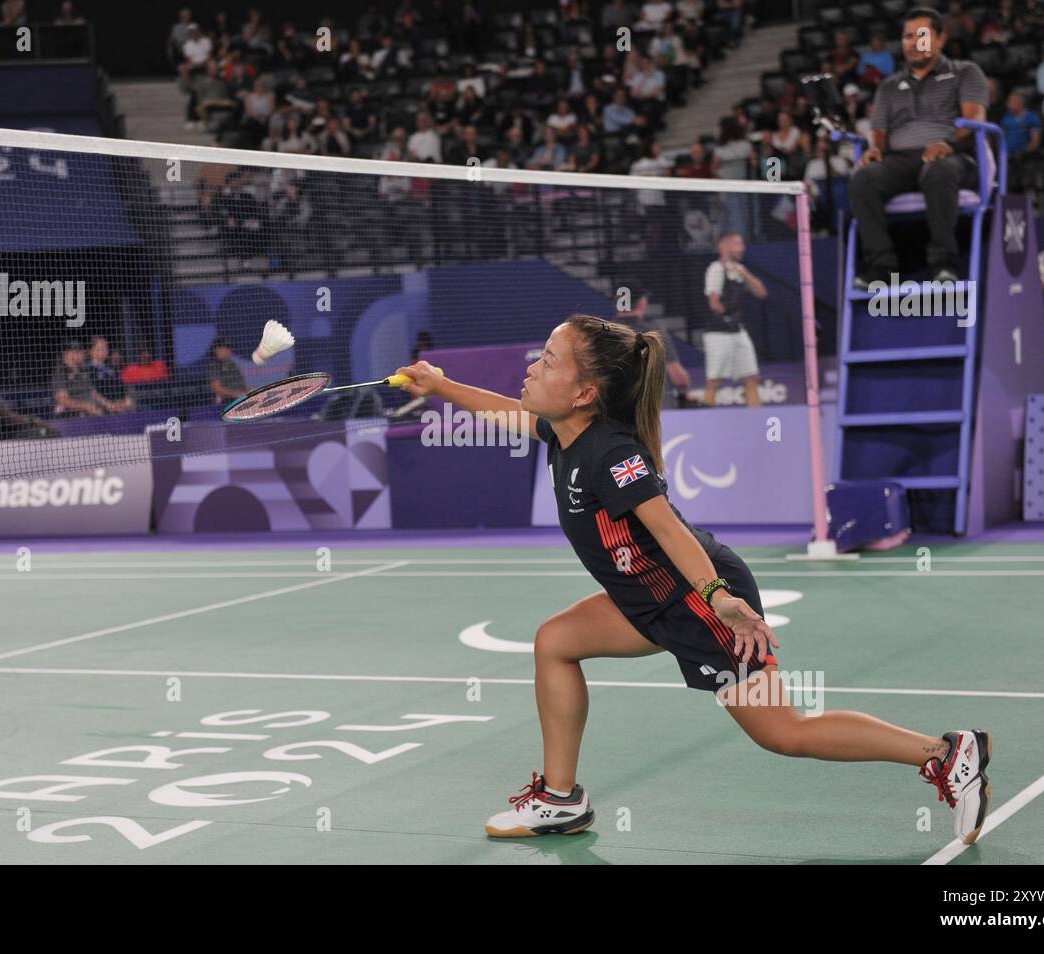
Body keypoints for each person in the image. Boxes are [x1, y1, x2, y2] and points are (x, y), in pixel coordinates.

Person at [392, 317, 993, 843]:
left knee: (783, 732)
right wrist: (440, 385)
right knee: (556, 642)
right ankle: (560, 798)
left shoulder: (610, 454)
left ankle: (946, 755)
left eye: (548, 360)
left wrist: (719, 598)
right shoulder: (564, 429)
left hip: (697, 600)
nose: (532, 366)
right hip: (647, 599)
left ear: (584, 392)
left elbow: (671, 532)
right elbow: (512, 414)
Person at [850, 7, 988, 287]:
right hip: (901, 160)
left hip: (955, 156)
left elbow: (973, 120)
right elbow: (879, 134)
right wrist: (875, 149)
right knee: (863, 178)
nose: (913, 43)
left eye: (921, 35)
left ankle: (943, 264)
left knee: (938, 170)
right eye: (907, 37)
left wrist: (948, 144)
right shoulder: (888, 86)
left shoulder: (965, 72)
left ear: (940, 38)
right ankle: (881, 268)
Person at [703, 232, 766, 406]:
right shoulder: (716, 269)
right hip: (718, 333)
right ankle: (705, 418)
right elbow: (714, 302)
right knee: (715, 380)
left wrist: (744, 275)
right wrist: (724, 313)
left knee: (752, 376)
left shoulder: (740, 269)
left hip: (738, 331)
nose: (742, 247)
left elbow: (761, 292)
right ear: (724, 246)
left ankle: (757, 419)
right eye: (738, 243)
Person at [53, 340, 115, 417]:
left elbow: (93, 393)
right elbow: (63, 400)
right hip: (69, 414)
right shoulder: (61, 372)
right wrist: (85, 406)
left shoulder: (82, 370)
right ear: (66, 354)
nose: (80, 354)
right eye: (74, 352)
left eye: (80, 352)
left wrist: (107, 404)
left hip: (90, 409)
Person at [88, 336, 134, 412]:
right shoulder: (88, 369)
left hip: (120, 405)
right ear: (91, 351)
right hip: (103, 408)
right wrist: (108, 404)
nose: (105, 351)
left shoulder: (112, 368)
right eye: (101, 348)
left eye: (106, 348)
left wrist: (127, 401)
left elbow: (122, 388)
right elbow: (92, 392)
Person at [207, 337, 248, 404]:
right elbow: (217, 389)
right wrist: (237, 394)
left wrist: (250, 393)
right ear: (216, 350)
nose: (228, 350)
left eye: (228, 347)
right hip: (226, 402)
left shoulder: (233, 365)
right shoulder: (214, 366)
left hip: (241, 399)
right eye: (224, 347)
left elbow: (243, 383)